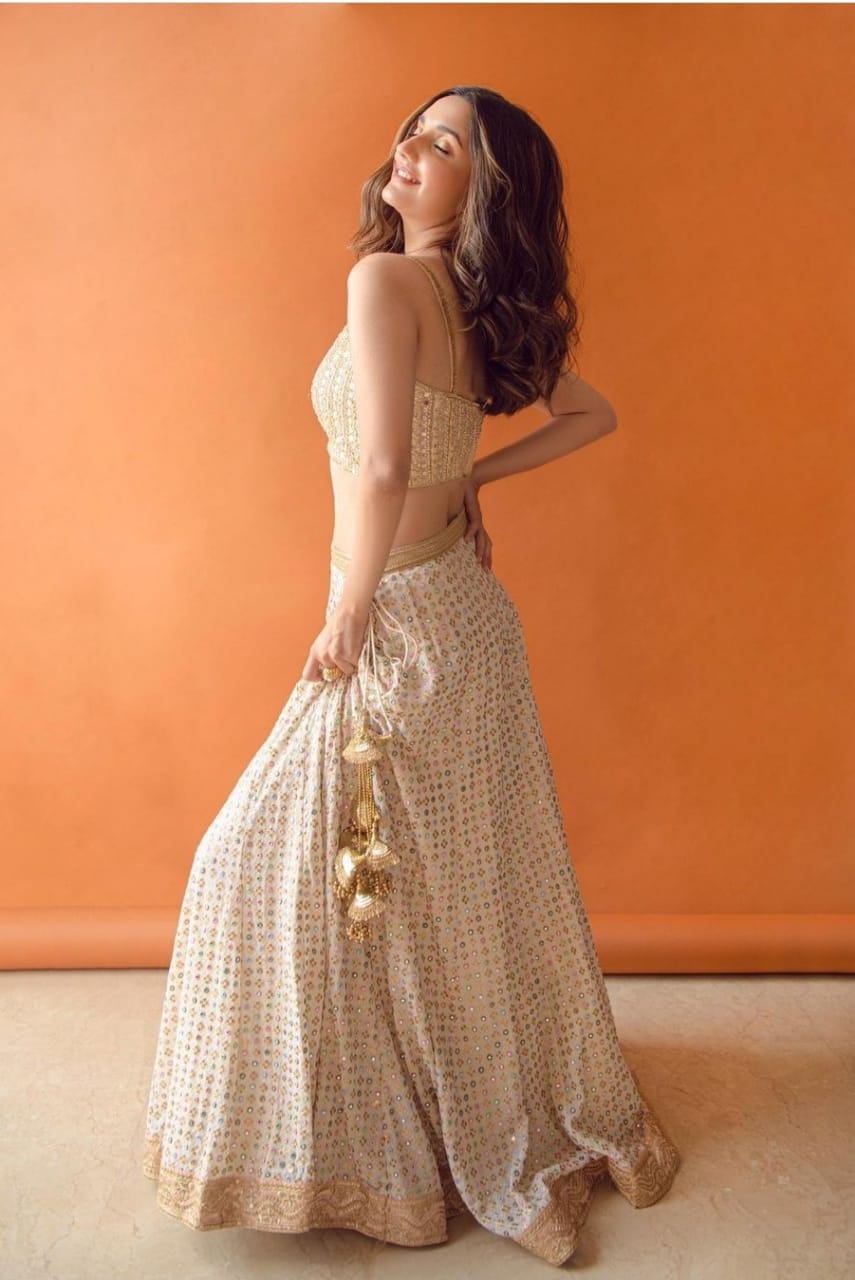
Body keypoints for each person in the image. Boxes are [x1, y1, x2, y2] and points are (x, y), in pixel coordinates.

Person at [141, 85, 680, 1266]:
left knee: (267, 861)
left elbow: (383, 464)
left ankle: (384, 1140)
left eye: (445, 146)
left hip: (399, 617)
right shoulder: (478, 305)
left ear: (483, 188)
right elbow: (590, 413)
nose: (411, 152)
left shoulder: (384, 280)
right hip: (467, 618)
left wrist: (347, 613)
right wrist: (478, 478)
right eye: (414, 132)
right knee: (439, 889)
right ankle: (413, 1119)